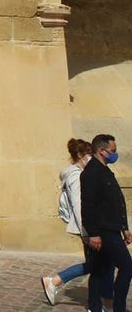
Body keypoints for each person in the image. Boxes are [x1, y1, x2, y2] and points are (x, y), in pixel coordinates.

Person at [42, 139, 114, 306]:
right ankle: (55, 281)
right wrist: (90, 232)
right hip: (88, 228)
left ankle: (106, 299)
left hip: (92, 227)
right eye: (89, 155)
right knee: (98, 263)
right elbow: (80, 206)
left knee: (104, 262)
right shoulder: (76, 176)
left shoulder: (82, 173)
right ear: (81, 155)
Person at [82, 133, 132, 312]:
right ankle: (118, 307)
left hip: (113, 228)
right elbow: (87, 206)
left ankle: (95, 306)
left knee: (99, 268)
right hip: (103, 230)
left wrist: (124, 228)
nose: (115, 154)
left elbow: (117, 200)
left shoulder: (104, 171)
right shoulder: (91, 173)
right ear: (102, 151)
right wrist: (93, 233)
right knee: (127, 267)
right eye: (113, 150)